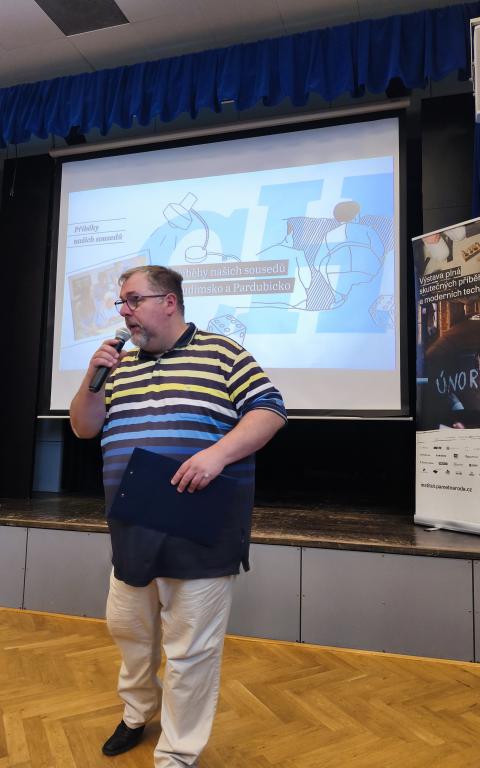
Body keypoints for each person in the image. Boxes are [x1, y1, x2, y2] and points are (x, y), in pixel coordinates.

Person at [69, 265, 286, 768]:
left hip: (198, 527)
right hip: (132, 526)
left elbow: (270, 410)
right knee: (129, 633)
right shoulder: (117, 365)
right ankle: (137, 712)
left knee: (190, 651)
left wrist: (216, 455)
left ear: (169, 302)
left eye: (133, 300)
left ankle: (177, 754)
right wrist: (92, 381)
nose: (124, 312)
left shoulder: (222, 352)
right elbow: (83, 428)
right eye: (121, 303)